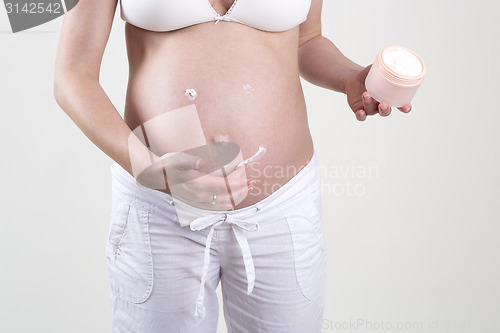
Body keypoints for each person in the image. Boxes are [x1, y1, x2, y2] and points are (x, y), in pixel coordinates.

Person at [54, 0, 413, 332]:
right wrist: (149, 167)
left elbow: (306, 38)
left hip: (282, 207)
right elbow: (73, 74)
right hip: (161, 212)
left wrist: (348, 77)